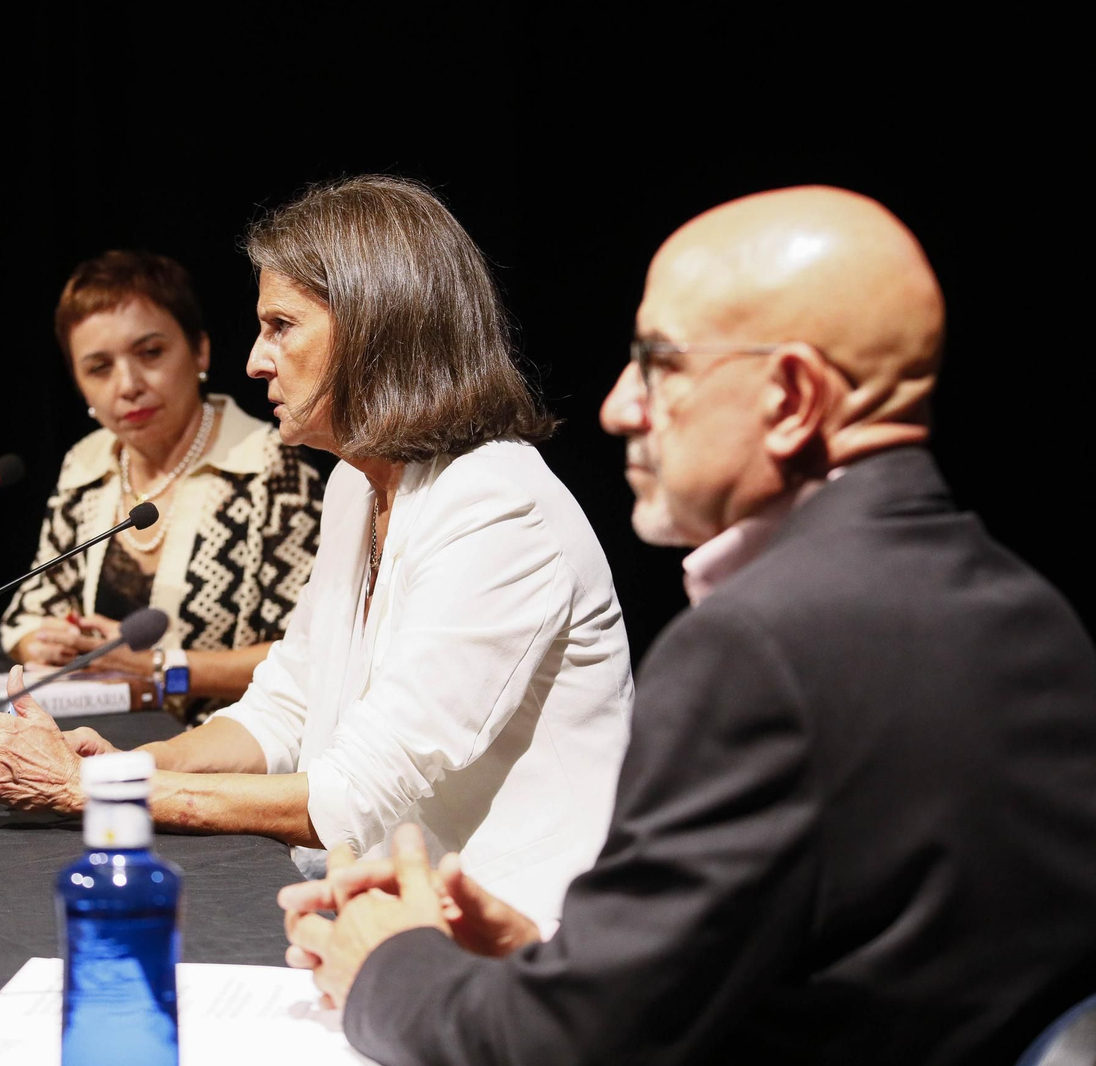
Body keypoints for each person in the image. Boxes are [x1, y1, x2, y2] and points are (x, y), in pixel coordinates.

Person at [280, 186, 1096, 1063]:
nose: (619, 407)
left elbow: (567, 1050)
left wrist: (390, 964)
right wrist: (546, 960)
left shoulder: (761, 649)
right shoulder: (1033, 617)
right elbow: (861, 975)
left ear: (789, 396)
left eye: (660, 365)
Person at [0, 176, 635, 923]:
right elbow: (282, 710)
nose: (256, 361)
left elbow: (352, 795)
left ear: (376, 326)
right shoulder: (356, 488)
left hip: (523, 938)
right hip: (382, 908)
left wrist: (87, 792)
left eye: (281, 326)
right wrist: (115, 766)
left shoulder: (498, 508)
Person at [0, 250, 325, 721]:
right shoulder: (86, 466)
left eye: (150, 353)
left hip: (233, 752)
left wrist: (160, 668)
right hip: (98, 736)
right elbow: (27, 614)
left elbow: (309, 654)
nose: (128, 384)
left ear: (200, 351)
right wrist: (55, 646)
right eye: (99, 367)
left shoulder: (271, 467)